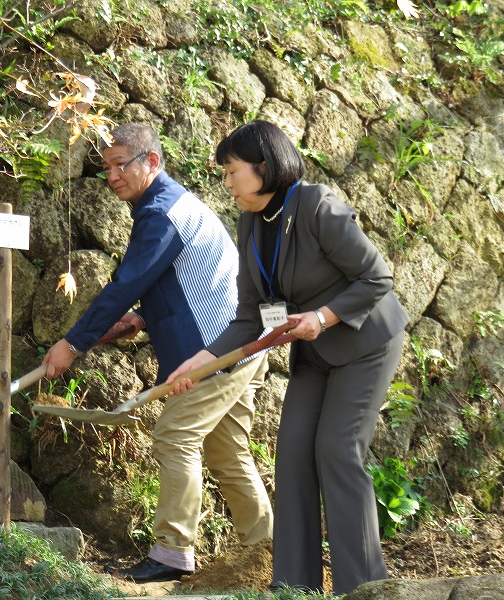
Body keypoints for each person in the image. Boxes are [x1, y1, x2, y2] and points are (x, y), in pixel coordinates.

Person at [166, 120, 410, 595]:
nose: (227, 182)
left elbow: (377, 277)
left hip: (365, 344)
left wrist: (323, 315)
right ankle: (294, 588)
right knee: (293, 455)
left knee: (337, 451)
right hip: (315, 354)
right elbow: (249, 316)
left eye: (231, 171)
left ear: (263, 167)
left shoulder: (317, 205)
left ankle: (362, 588)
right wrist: (201, 359)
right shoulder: (250, 222)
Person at [42, 122, 274, 583]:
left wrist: (73, 343)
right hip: (239, 342)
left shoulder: (162, 213)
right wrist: (142, 318)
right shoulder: (168, 207)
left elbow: (126, 283)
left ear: (151, 162)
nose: (111, 176)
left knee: (174, 436)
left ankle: (172, 552)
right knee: (228, 454)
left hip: (217, 348)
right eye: (105, 167)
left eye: (119, 165)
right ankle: (269, 553)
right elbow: (182, 278)